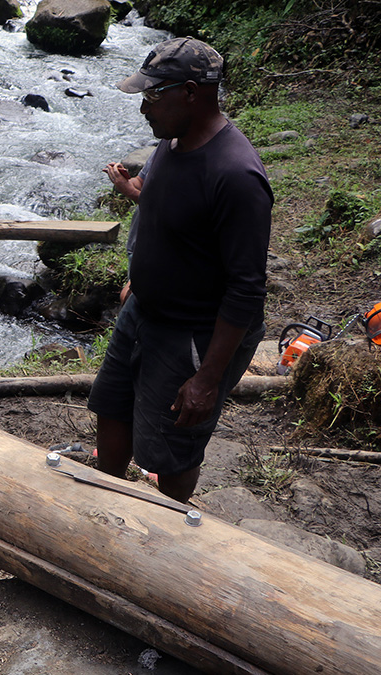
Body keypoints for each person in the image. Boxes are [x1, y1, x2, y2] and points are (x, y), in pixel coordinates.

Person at [88, 37, 271, 503]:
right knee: (111, 407)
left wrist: (207, 379)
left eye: (152, 95)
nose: (144, 108)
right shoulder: (172, 142)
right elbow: (164, 211)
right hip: (144, 310)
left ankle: (167, 533)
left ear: (191, 92)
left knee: (171, 449)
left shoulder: (236, 176)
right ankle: (103, 501)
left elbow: (246, 290)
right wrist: (140, 275)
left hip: (193, 334)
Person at [104, 152, 154, 304]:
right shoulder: (163, 149)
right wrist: (122, 180)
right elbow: (139, 182)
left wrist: (129, 191)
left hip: (159, 250)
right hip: (137, 244)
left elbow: (167, 210)